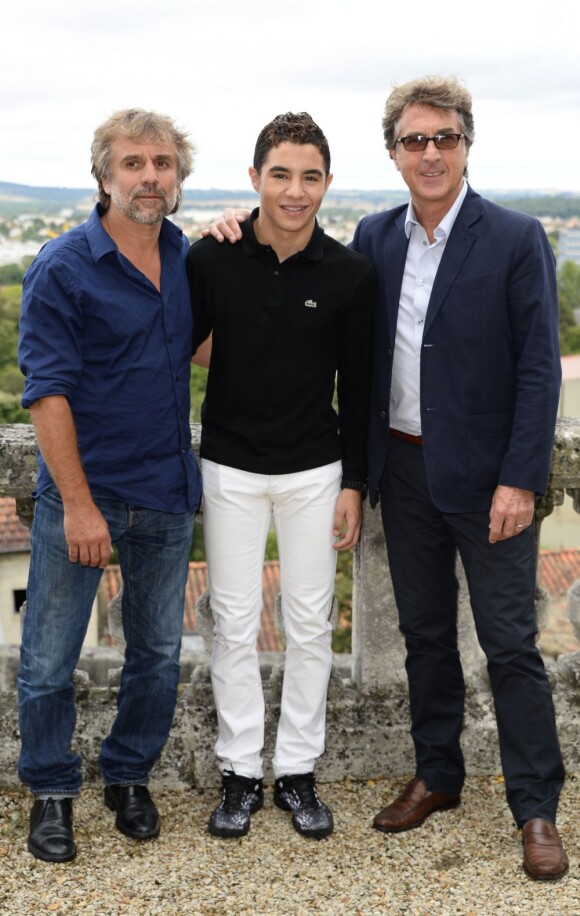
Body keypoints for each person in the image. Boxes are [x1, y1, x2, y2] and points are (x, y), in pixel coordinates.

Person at [204, 77, 567, 880]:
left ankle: (536, 806)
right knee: (424, 636)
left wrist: (520, 479)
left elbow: (540, 368)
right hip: (403, 469)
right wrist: (224, 227)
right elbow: (322, 311)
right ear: (394, 153)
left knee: (509, 645)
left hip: (489, 478)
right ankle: (438, 775)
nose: (430, 153)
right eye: (414, 140)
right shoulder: (375, 237)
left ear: (466, 145)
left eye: (444, 138)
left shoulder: (515, 238)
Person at [17, 108, 201, 863]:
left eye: (162, 163)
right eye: (134, 163)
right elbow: (46, 394)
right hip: (86, 497)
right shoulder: (63, 266)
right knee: (48, 661)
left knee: (157, 655)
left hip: (167, 489)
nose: (149, 177)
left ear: (178, 177)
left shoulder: (186, 256)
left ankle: (128, 777)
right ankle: (51, 790)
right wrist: (79, 505)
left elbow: (205, 348)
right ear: (104, 176)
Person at [187, 112, 375, 840]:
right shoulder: (212, 257)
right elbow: (181, 345)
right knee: (233, 624)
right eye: (280, 175)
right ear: (254, 178)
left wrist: (354, 481)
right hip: (229, 466)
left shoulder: (351, 274)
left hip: (314, 472)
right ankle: (239, 773)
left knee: (309, 625)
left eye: (310, 177)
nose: (295, 191)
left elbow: (359, 387)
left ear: (327, 183)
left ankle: (297, 771)